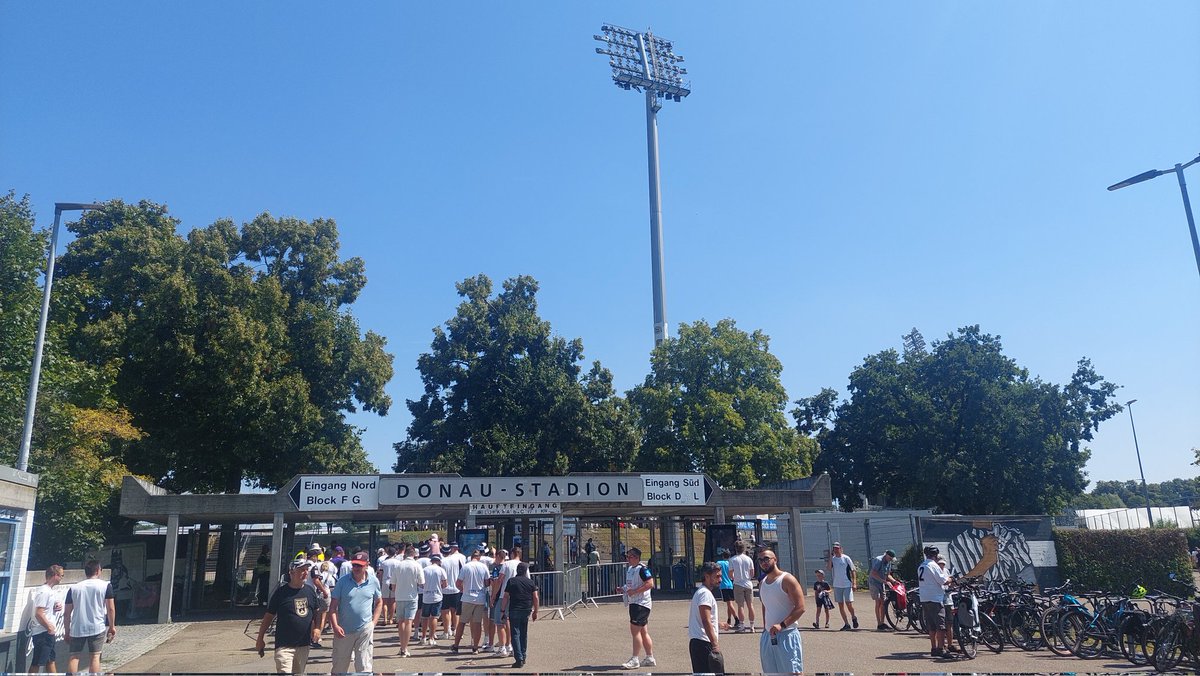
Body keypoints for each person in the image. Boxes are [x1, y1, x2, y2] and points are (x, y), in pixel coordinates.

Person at [256, 558, 325, 674]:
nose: (305, 572)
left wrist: (318, 628)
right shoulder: (281, 593)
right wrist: (260, 638)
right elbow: (269, 616)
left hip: (303, 645)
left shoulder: (310, 591)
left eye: (306, 570)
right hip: (284, 646)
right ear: (292, 572)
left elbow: (317, 612)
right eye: (301, 570)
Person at [329, 552, 382, 673]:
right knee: (339, 668)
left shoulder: (374, 581)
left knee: (364, 667)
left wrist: (373, 623)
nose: (357, 568)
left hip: (364, 629)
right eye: (355, 565)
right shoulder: (342, 582)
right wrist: (335, 626)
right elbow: (332, 608)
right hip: (343, 631)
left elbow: (379, 602)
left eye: (360, 565)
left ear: (367, 565)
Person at [63, 559, 117, 674]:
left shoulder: (74, 588)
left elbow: (67, 613)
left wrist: (66, 630)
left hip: (77, 627)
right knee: (95, 657)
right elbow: (110, 608)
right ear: (98, 571)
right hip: (97, 626)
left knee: (74, 657)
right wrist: (112, 626)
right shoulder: (105, 586)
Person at [757, 548, 806, 675]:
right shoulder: (762, 583)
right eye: (760, 560)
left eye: (767, 559)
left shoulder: (787, 580)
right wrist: (765, 629)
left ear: (775, 559)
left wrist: (782, 625)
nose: (763, 562)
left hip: (787, 634)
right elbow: (765, 606)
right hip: (768, 636)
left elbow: (800, 607)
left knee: (792, 673)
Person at [616, 546, 656, 669]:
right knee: (643, 631)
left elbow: (650, 583)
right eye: (627, 556)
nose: (628, 558)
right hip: (634, 602)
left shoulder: (642, 569)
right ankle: (650, 657)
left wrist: (635, 591)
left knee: (635, 631)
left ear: (637, 558)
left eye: (630, 556)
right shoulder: (630, 569)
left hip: (641, 604)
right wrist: (623, 589)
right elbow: (631, 584)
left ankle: (635, 659)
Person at [452, 545, 490, 654]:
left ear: (471, 557)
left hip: (467, 597)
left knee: (462, 622)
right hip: (480, 598)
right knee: (477, 623)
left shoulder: (466, 567)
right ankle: (475, 647)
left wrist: (463, 589)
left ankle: (456, 646)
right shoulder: (483, 567)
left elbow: (458, 583)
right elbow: (487, 583)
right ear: (479, 557)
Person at [501, 561, 539, 669]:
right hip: (526, 609)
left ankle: (519, 659)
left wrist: (502, 611)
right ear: (525, 571)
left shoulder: (511, 581)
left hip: (514, 609)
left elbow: (505, 597)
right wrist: (536, 611)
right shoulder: (530, 582)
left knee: (515, 634)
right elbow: (535, 597)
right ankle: (523, 655)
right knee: (523, 633)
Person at [689, 562, 725, 674]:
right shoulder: (705, 594)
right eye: (717, 576)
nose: (720, 579)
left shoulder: (702, 592)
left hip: (699, 642)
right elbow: (705, 620)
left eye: (720, 576)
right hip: (703, 643)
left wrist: (718, 624)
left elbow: (705, 617)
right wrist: (715, 644)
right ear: (707, 576)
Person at [28, 565, 65, 673]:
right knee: (37, 662)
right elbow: (39, 613)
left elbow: (44, 610)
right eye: (61, 575)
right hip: (42, 632)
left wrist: (55, 607)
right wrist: (49, 627)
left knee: (50, 660)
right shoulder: (44, 591)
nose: (62, 578)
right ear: (55, 575)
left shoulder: (49, 591)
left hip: (47, 632)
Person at [917, 545, 952, 658]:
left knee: (931, 624)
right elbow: (943, 581)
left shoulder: (921, 566)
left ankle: (933, 647)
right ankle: (941, 648)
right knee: (940, 625)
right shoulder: (933, 566)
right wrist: (951, 579)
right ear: (935, 555)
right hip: (935, 598)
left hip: (924, 597)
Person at [393, 544, 425, 657]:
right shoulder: (417, 565)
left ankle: (402, 647)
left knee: (401, 621)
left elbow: (393, 585)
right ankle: (404, 648)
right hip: (411, 596)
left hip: (399, 596)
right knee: (408, 622)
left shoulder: (398, 566)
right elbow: (422, 583)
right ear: (414, 555)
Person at [827, 542, 858, 630]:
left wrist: (854, 583)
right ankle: (846, 624)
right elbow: (829, 568)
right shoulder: (833, 559)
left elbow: (853, 570)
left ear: (841, 548)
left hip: (847, 584)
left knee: (848, 603)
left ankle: (853, 617)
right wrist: (830, 557)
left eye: (837, 548)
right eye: (834, 548)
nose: (836, 550)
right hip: (837, 585)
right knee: (841, 605)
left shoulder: (846, 558)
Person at [420, 553, 449, 645]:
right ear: (439, 561)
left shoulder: (424, 570)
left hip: (426, 597)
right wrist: (439, 586)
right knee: (434, 617)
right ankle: (431, 637)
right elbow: (445, 584)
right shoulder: (441, 570)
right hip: (437, 596)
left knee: (425, 617)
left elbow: (420, 584)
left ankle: (423, 637)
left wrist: (426, 587)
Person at [729, 541, 757, 633]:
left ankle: (742, 625)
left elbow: (730, 574)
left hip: (738, 584)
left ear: (735, 549)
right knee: (750, 605)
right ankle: (752, 626)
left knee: (740, 606)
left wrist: (734, 578)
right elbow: (752, 573)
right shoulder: (749, 559)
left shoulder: (732, 559)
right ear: (744, 549)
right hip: (748, 583)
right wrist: (748, 577)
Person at [440, 541, 466, 640]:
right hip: (456, 588)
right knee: (456, 611)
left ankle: (446, 631)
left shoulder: (442, 561)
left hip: (445, 589)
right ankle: (457, 631)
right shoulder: (457, 560)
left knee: (445, 611)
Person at [485, 548, 509, 654]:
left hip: (498, 596)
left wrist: (492, 596)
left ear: (498, 556)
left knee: (494, 621)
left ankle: (491, 643)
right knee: (506, 620)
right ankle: (508, 644)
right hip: (507, 596)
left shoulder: (496, 568)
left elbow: (494, 582)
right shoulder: (509, 567)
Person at [869, 549, 899, 631]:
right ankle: (879, 623)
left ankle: (882, 622)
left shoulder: (888, 562)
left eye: (892, 559)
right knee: (878, 601)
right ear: (886, 555)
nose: (890, 560)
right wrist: (884, 581)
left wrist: (894, 581)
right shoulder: (878, 560)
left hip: (882, 582)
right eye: (890, 558)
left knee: (884, 602)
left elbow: (888, 574)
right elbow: (873, 573)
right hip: (874, 582)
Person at [380, 545, 402, 626]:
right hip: (394, 582)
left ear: (388, 553)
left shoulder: (384, 563)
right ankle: (391, 619)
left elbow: (381, 573)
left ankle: (385, 618)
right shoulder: (398, 563)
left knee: (384, 601)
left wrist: (380, 581)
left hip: (385, 581)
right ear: (395, 553)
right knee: (393, 601)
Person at [717, 549, 738, 630]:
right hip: (731, 584)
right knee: (730, 603)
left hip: (723, 585)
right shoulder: (730, 563)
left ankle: (737, 619)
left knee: (729, 603)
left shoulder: (720, 563)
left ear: (723, 556)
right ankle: (729, 619)